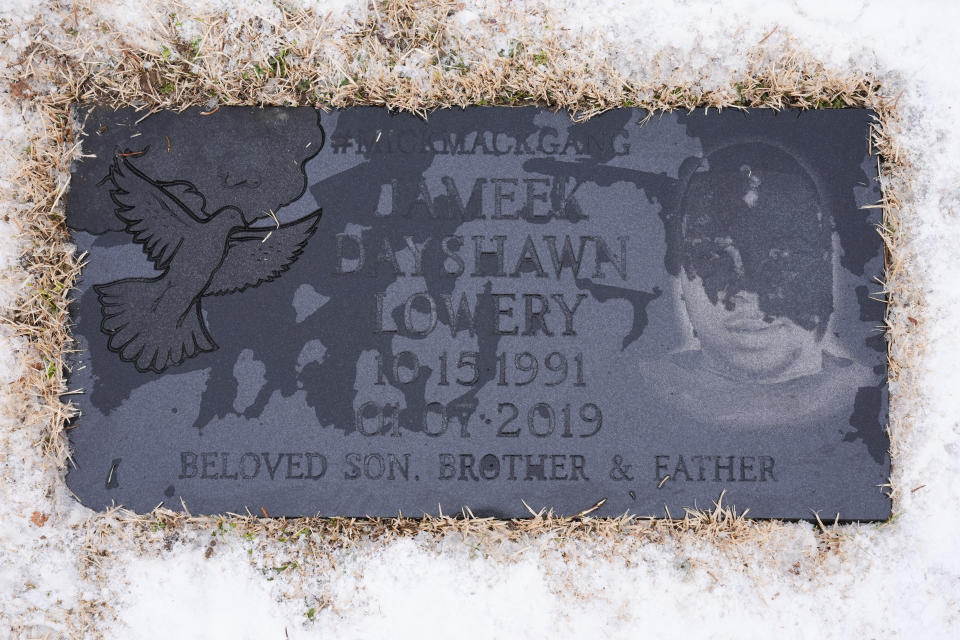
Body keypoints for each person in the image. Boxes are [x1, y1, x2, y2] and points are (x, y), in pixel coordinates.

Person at [641, 141, 875, 428]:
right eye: (714, 257)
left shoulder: (865, 390)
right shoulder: (644, 385)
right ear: (680, 274)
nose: (747, 294)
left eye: (783, 255)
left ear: (827, 261)